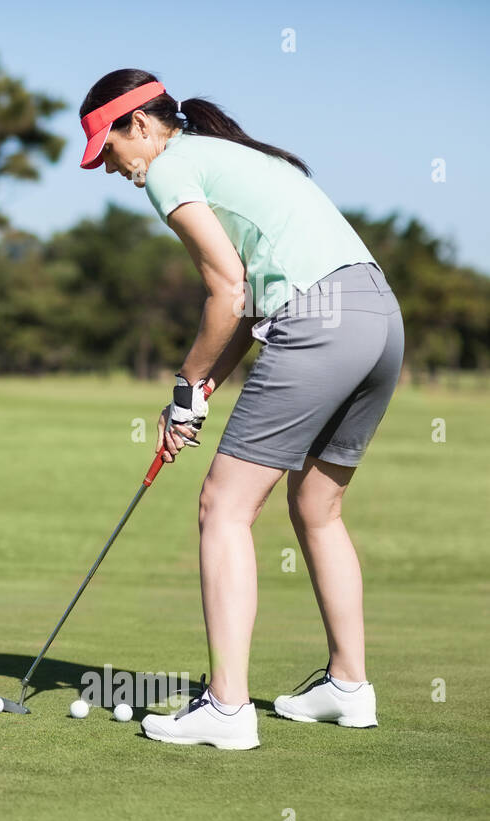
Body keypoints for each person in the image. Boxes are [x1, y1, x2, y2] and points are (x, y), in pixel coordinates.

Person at [77, 69, 404, 749]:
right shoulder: (233, 157)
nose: (111, 169)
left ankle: (226, 708)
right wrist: (194, 397)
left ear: (140, 124)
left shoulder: (172, 166)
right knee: (317, 506)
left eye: (108, 151)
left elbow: (225, 290)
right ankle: (349, 687)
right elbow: (250, 299)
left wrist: (180, 386)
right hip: (378, 319)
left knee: (223, 507)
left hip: (318, 322)